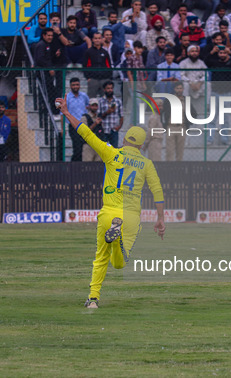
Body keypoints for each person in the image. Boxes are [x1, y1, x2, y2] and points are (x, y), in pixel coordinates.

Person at [56, 98, 166, 309]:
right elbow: (157, 191)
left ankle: (93, 299)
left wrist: (67, 113)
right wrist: (160, 219)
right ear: (141, 144)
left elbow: (86, 133)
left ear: (125, 139)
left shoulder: (111, 153)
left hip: (108, 212)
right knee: (120, 263)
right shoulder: (147, 164)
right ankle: (119, 243)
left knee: (100, 258)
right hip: (131, 217)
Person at [64, 78, 91, 162]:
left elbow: (88, 106)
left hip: (84, 125)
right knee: (77, 148)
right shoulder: (67, 97)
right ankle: (74, 167)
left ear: (79, 85)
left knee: (84, 148)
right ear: (70, 86)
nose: (75, 87)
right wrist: (62, 128)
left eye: (77, 85)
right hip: (73, 126)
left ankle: (80, 167)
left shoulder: (84, 96)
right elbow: (62, 114)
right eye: (73, 85)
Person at [84, 32, 113, 97]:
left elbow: (108, 65)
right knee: (91, 100)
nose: (97, 40)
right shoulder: (88, 52)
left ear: (102, 39)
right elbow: (85, 65)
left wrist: (109, 77)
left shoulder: (105, 52)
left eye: (99, 38)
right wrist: (88, 78)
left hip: (104, 79)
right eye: (95, 38)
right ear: (92, 39)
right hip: (93, 79)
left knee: (106, 99)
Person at [165, 81, 188, 160]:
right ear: (174, 89)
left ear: (183, 89)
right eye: (177, 88)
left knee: (180, 151)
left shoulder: (186, 100)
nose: (179, 90)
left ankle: (179, 169)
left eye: (181, 88)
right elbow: (164, 112)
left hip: (181, 127)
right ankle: (169, 170)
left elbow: (193, 112)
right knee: (169, 151)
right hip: (171, 126)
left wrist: (187, 123)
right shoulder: (169, 100)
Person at [98, 81, 123, 147]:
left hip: (114, 130)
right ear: (104, 89)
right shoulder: (100, 101)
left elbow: (121, 115)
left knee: (114, 151)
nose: (110, 90)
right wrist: (107, 113)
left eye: (111, 88)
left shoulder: (118, 101)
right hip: (104, 129)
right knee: (103, 151)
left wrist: (119, 126)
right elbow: (99, 116)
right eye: (108, 88)